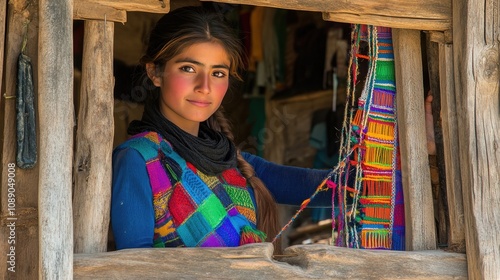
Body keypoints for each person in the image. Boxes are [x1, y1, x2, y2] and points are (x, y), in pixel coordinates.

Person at [111, 6, 332, 251]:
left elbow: (325, 187)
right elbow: (135, 268)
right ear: (155, 72)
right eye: (188, 68)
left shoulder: (233, 163)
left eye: (218, 73)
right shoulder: (139, 159)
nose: (204, 86)